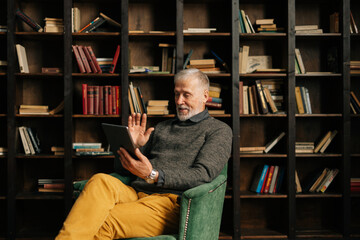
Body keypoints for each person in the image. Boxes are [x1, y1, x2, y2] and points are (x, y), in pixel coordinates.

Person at [55, 68, 232, 240]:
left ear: (205, 96)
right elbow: (124, 170)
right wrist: (133, 147)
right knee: (100, 180)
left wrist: (153, 175)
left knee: (104, 222)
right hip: (136, 192)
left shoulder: (219, 131)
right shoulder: (162, 128)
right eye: (176, 94)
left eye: (186, 94)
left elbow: (202, 175)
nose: (179, 101)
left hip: (170, 204)